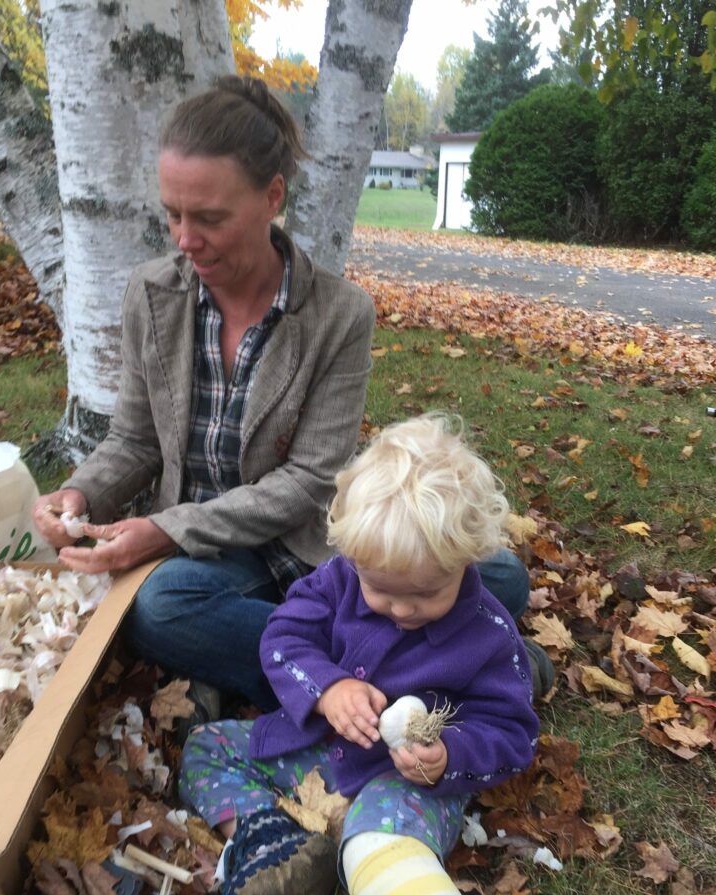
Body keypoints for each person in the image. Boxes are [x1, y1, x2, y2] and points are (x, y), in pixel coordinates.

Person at [32, 75, 539, 716]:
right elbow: (132, 439)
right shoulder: (152, 293)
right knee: (159, 608)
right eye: (173, 214)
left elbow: (309, 480)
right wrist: (79, 494)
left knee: (500, 575)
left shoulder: (338, 313)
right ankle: (421, 670)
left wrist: (162, 530)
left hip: (305, 543)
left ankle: (309, 666)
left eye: (210, 218)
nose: (185, 240)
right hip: (207, 553)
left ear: (272, 197)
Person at [179, 415, 539, 895]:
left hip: (405, 782)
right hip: (321, 748)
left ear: (465, 563)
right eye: (382, 591)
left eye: (423, 596)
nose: (400, 609)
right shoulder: (340, 580)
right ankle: (278, 839)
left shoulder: (487, 634)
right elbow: (283, 635)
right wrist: (328, 687)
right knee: (207, 747)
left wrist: (449, 755)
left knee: (381, 846)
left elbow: (510, 733)